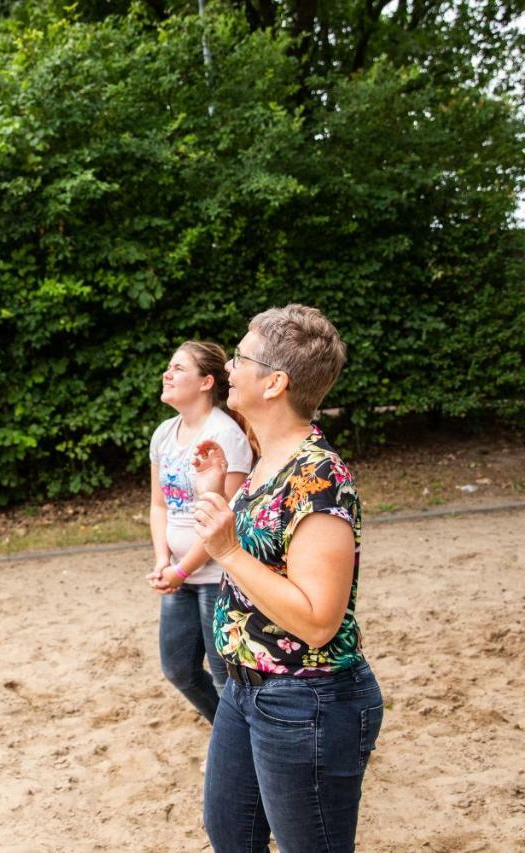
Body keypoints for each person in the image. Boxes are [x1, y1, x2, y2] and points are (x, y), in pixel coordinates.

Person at [191, 305, 384, 852]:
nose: (229, 365)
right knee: (232, 836)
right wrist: (214, 492)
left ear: (275, 382)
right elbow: (260, 551)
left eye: (241, 356)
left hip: (309, 700)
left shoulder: (320, 478)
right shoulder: (269, 459)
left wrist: (226, 551)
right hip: (245, 689)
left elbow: (319, 621)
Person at [146, 341, 253, 722]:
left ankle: (238, 756)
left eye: (178, 368)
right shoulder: (163, 434)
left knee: (228, 681)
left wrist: (181, 569)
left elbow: (225, 518)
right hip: (179, 575)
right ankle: (227, 739)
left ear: (207, 381)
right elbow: (159, 504)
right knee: (178, 669)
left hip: (217, 578)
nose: (167, 373)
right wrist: (164, 561)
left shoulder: (226, 437)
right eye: (169, 367)